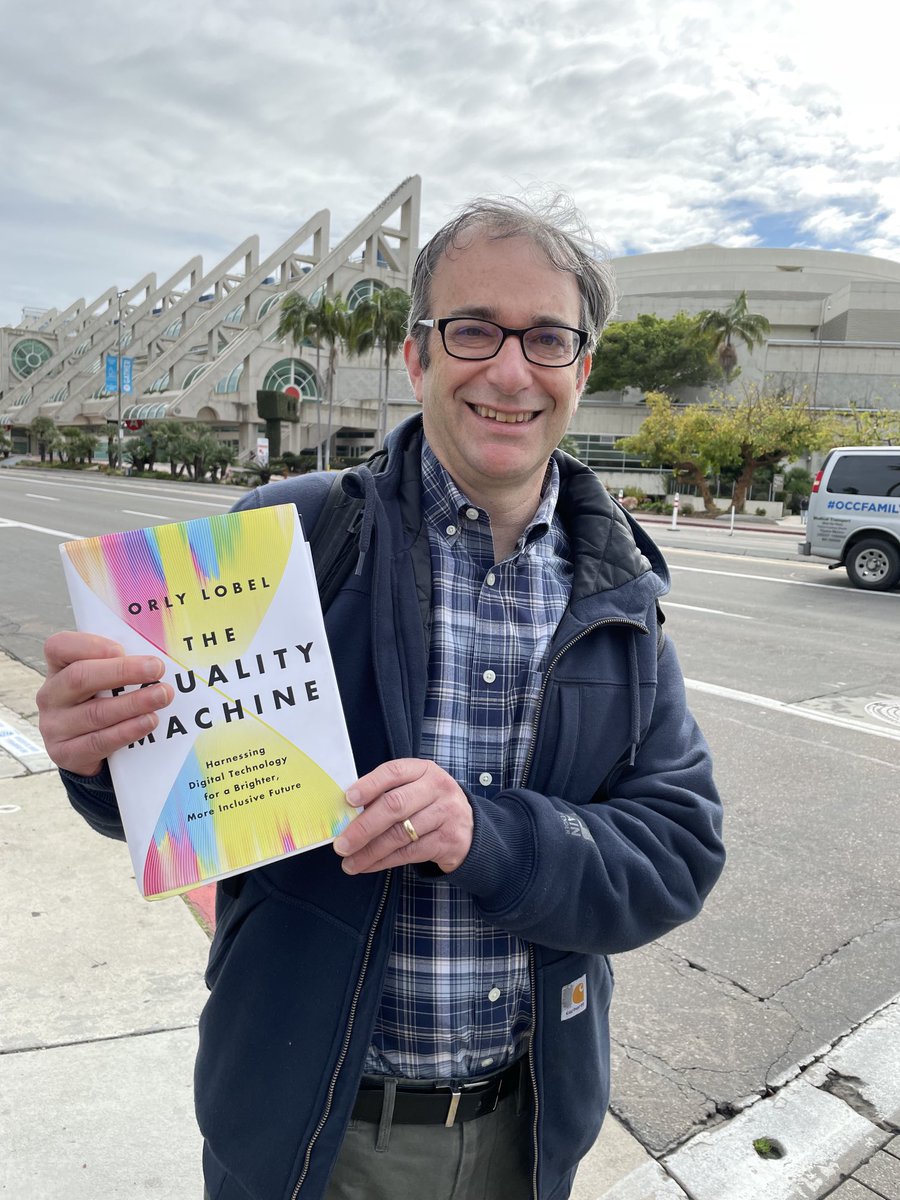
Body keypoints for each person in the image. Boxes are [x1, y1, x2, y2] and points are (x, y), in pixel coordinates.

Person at [37, 195, 725, 1200]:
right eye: (473, 329)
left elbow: (678, 849)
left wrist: (483, 834)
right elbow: (165, 793)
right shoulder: (290, 541)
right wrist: (98, 752)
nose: (507, 368)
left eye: (546, 338)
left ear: (582, 369)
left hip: (525, 1134)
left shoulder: (615, 590)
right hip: (304, 1130)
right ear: (418, 357)